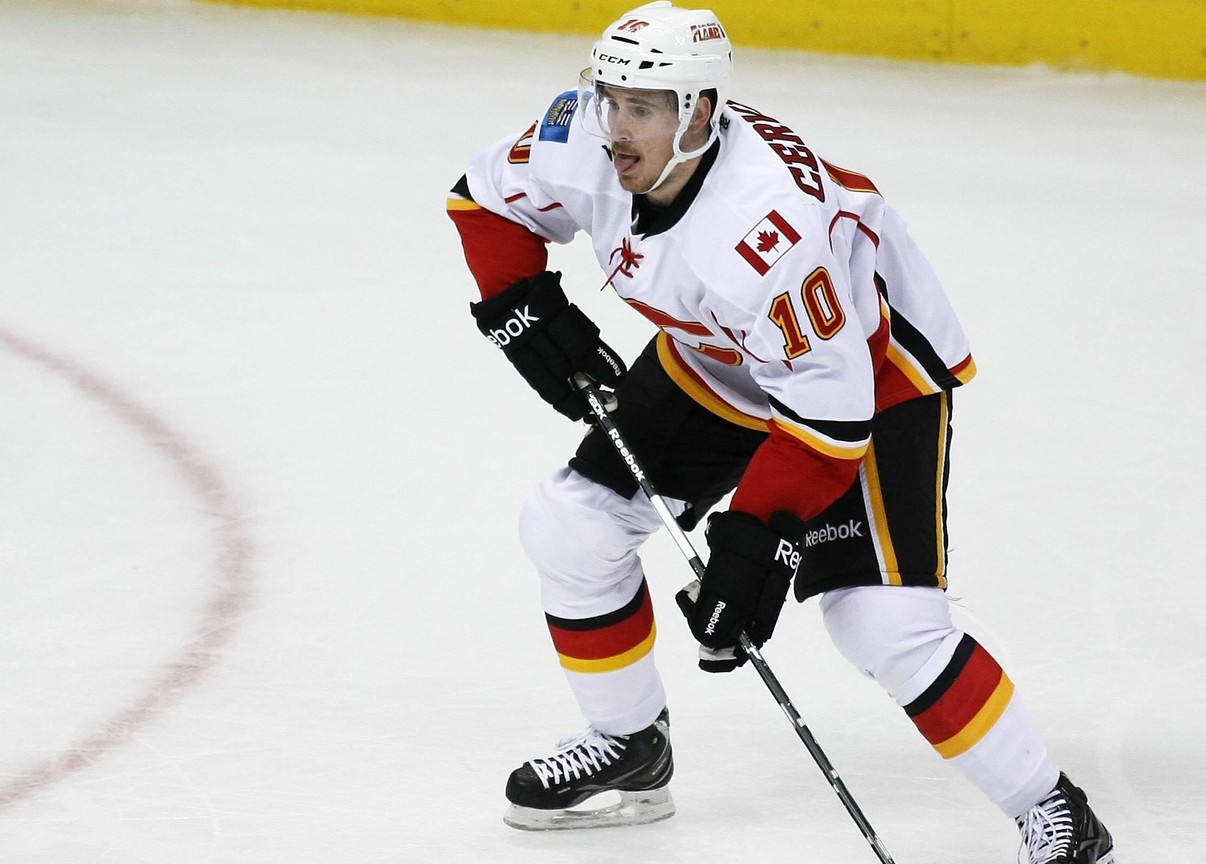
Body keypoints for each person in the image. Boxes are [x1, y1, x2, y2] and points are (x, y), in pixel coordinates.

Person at [446, 3, 1116, 861]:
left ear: (698, 113)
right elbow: (483, 200)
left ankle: (1050, 808)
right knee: (570, 526)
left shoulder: (766, 233)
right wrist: (518, 304)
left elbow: (828, 418)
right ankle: (632, 748)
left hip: (869, 374)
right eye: (610, 97)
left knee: (879, 623)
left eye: (641, 108)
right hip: (720, 353)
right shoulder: (585, 140)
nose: (616, 127)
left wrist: (759, 536)